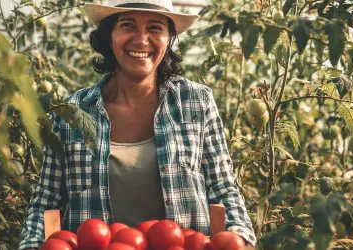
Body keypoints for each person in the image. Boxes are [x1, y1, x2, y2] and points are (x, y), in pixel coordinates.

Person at [17, 0, 257, 248]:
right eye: (128, 25)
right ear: (109, 34)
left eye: (155, 28)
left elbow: (223, 189)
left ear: (169, 38)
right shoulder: (72, 112)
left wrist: (239, 237)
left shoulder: (195, 103)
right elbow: (46, 202)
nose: (141, 40)